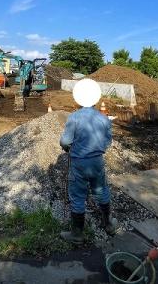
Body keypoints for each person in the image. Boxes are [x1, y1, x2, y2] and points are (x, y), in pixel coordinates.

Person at [59, 79, 117, 244]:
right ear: (95, 98)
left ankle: (77, 234)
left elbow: (65, 142)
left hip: (79, 163)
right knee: (101, 191)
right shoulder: (104, 119)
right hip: (97, 162)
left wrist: (68, 148)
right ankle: (108, 225)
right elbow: (108, 141)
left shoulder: (74, 118)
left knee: (78, 196)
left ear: (78, 98)